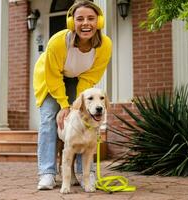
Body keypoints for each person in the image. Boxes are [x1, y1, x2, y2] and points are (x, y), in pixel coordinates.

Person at [33, 0, 112, 190]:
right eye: (80, 19)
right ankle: (47, 173)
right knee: (50, 118)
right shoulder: (58, 42)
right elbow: (53, 77)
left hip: (79, 79)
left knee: (83, 118)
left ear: (99, 22)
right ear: (71, 23)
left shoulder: (105, 45)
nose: (86, 23)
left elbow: (88, 79)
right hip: (50, 77)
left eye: (91, 18)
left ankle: (87, 174)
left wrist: (77, 107)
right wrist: (63, 105)